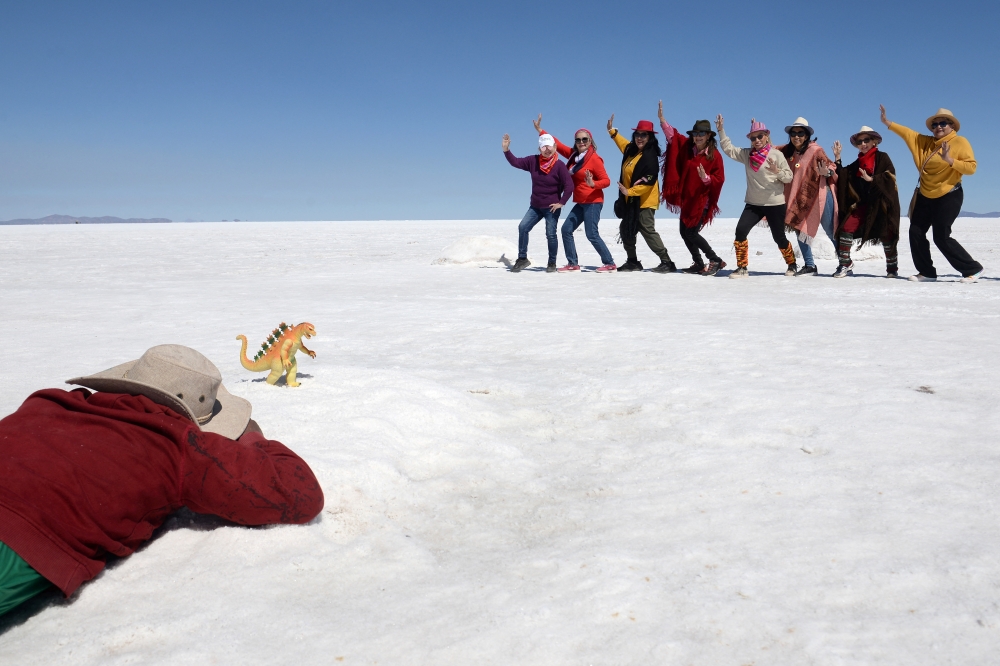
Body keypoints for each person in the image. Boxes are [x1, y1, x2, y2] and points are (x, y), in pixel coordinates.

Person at [0, 345, 324, 617]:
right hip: (18, 541)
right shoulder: (177, 447)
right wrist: (253, 440)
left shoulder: (48, 401)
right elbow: (299, 496)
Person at [880, 105, 982, 282]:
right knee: (916, 232)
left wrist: (950, 160)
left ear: (952, 126)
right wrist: (888, 123)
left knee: (941, 236)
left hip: (949, 193)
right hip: (925, 195)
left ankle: (972, 269)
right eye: (935, 125)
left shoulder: (960, 142)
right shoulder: (925, 142)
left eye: (943, 123)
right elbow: (907, 133)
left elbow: (971, 167)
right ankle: (926, 272)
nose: (938, 127)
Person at [532, 114, 616, 272]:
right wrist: (541, 131)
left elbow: (607, 181)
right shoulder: (573, 155)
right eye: (578, 140)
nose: (582, 142)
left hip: (593, 201)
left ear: (590, 141)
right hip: (581, 202)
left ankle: (609, 263)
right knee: (566, 230)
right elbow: (556, 143)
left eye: (585, 139)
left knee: (591, 234)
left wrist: (593, 184)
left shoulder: (595, 159)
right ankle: (573, 263)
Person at [717, 116, 796, 278]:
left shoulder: (776, 155)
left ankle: (792, 264)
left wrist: (777, 172)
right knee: (740, 231)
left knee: (779, 237)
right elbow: (729, 149)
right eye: (753, 137)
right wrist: (721, 131)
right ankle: (742, 268)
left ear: (767, 136)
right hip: (753, 203)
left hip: (774, 203)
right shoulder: (747, 155)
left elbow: (788, 177)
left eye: (760, 136)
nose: (757, 140)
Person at [658, 101, 727, 275]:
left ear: (709, 136)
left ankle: (715, 259)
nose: (697, 136)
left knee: (691, 233)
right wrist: (662, 120)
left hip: (701, 201)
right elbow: (674, 138)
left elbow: (720, 179)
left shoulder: (714, 156)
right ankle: (698, 263)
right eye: (695, 133)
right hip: (688, 199)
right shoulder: (688, 148)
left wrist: (706, 178)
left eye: (701, 133)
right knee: (684, 232)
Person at [606, 114, 676, 273]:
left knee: (647, 229)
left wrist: (629, 191)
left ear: (650, 137)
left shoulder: (650, 157)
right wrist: (613, 132)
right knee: (626, 229)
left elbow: (648, 182)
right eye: (637, 134)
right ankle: (632, 262)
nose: (639, 138)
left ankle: (667, 262)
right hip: (631, 200)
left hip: (645, 201)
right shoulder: (632, 151)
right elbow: (624, 144)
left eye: (643, 135)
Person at [830, 126, 901, 278]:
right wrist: (838, 158)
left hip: (882, 204)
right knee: (846, 227)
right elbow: (844, 174)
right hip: (864, 205)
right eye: (859, 141)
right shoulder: (858, 162)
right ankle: (844, 264)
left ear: (874, 142)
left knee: (887, 234)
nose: (863, 144)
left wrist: (873, 179)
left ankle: (892, 269)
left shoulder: (883, 158)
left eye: (866, 140)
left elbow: (890, 177)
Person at [502, 132, 574, 273]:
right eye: (543, 147)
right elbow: (515, 162)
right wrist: (506, 149)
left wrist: (561, 202)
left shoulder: (559, 165)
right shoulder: (533, 161)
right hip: (535, 206)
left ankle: (551, 262)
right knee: (523, 227)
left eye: (549, 146)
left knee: (550, 233)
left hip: (552, 207)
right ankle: (522, 259)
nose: (547, 149)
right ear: (539, 148)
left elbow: (569, 186)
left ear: (554, 147)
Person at [778, 117, 838, 276]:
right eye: (793, 133)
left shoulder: (815, 150)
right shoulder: (787, 151)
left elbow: (831, 166)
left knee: (830, 229)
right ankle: (810, 265)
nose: (796, 136)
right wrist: (760, 132)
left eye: (800, 133)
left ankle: (845, 262)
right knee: (799, 229)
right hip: (799, 198)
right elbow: (768, 149)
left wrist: (828, 172)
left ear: (807, 135)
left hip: (819, 195)